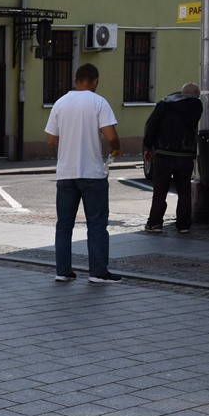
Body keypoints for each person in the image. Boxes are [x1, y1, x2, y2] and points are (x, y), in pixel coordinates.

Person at [45, 63, 122, 284]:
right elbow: (110, 136)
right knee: (96, 224)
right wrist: (116, 147)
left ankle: (63, 271)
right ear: (95, 80)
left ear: (76, 80)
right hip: (92, 174)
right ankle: (98, 272)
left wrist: (67, 145)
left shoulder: (60, 103)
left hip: (66, 174)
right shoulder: (99, 102)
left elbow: (50, 139)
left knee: (64, 225)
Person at [142, 83, 203, 234]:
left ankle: (155, 223)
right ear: (196, 94)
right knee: (184, 191)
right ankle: (183, 224)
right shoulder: (197, 106)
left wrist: (147, 146)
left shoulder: (165, 104)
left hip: (164, 153)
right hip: (185, 155)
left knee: (160, 190)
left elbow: (152, 125)